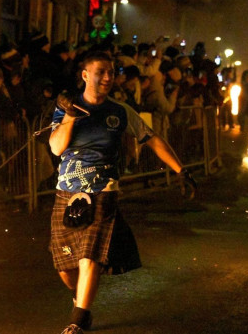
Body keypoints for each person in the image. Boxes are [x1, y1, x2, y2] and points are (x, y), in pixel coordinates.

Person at [48, 51, 196, 334]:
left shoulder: (120, 111)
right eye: (101, 72)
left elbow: (152, 139)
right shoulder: (65, 108)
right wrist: (69, 115)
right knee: (65, 266)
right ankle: (79, 298)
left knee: (89, 257)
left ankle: (78, 319)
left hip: (104, 191)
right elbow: (56, 148)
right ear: (85, 75)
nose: (107, 78)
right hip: (66, 193)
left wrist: (181, 170)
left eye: (111, 72)